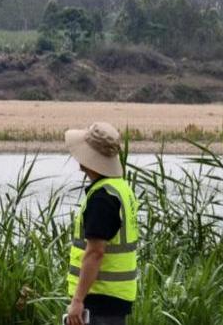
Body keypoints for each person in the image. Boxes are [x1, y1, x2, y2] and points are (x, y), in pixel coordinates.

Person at [64, 122, 139, 325]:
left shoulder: (102, 198)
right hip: (114, 300)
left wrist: (78, 300)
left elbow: (95, 252)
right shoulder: (121, 188)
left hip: (98, 301)